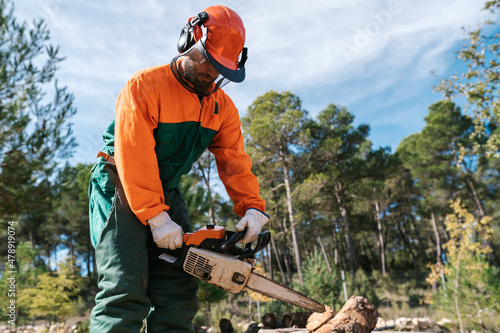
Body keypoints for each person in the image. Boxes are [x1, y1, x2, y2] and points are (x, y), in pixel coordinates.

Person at [88, 5, 268, 333]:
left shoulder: (222, 108)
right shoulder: (144, 86)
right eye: (207, 62)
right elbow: (135, 156)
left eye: (220, 69)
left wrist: (252, 207)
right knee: (124, 286)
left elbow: (234, 160)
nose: (211, 75)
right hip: (120, 184)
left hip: (166, 189)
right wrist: (156, 217)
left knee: (180, 289)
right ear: (187, 41)